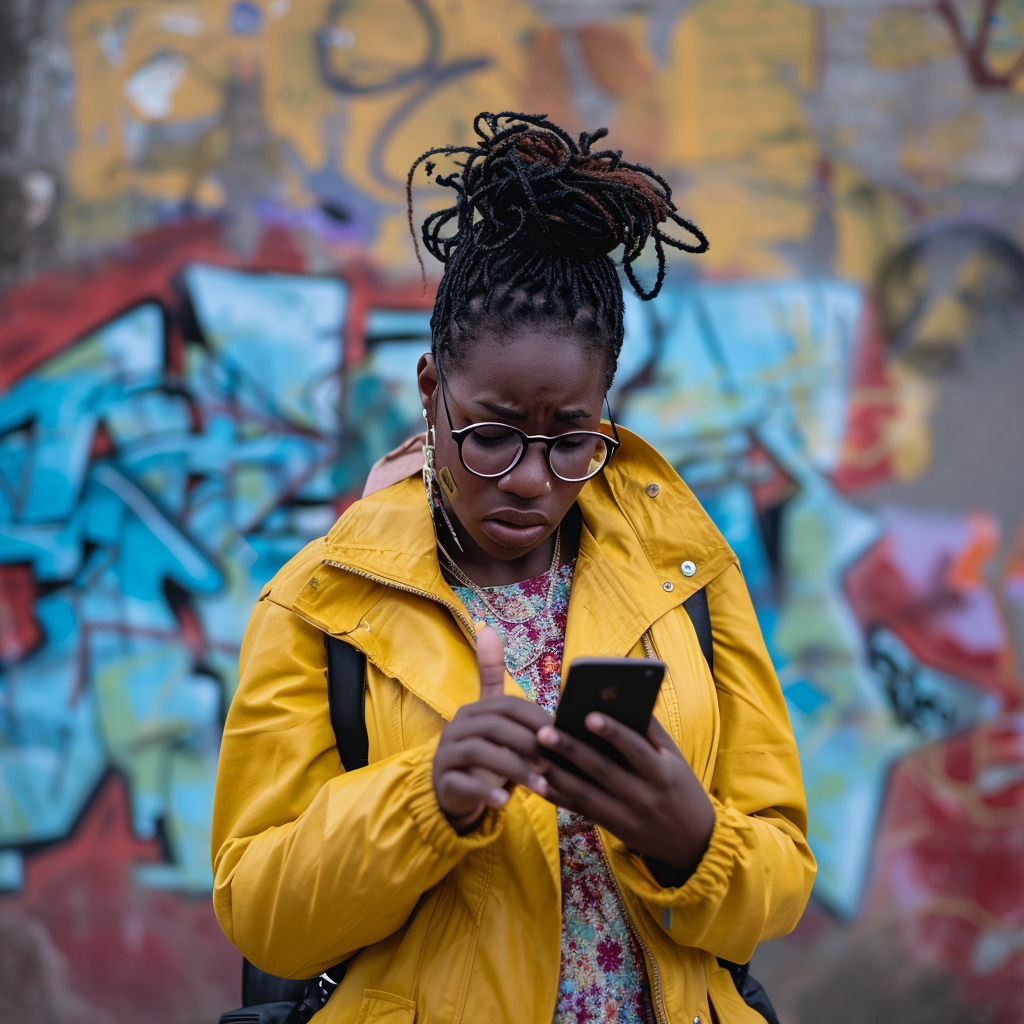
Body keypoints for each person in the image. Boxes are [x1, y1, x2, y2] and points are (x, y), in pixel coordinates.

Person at [211, 112, 816, 1024]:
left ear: (604, 411)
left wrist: (692, 841)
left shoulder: (688, 577)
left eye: (571, 441)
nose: (532, 480)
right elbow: (263, 918)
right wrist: (425, 801)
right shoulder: (321, 604)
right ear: (429, 392)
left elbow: (779, 879)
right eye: (491, 435)